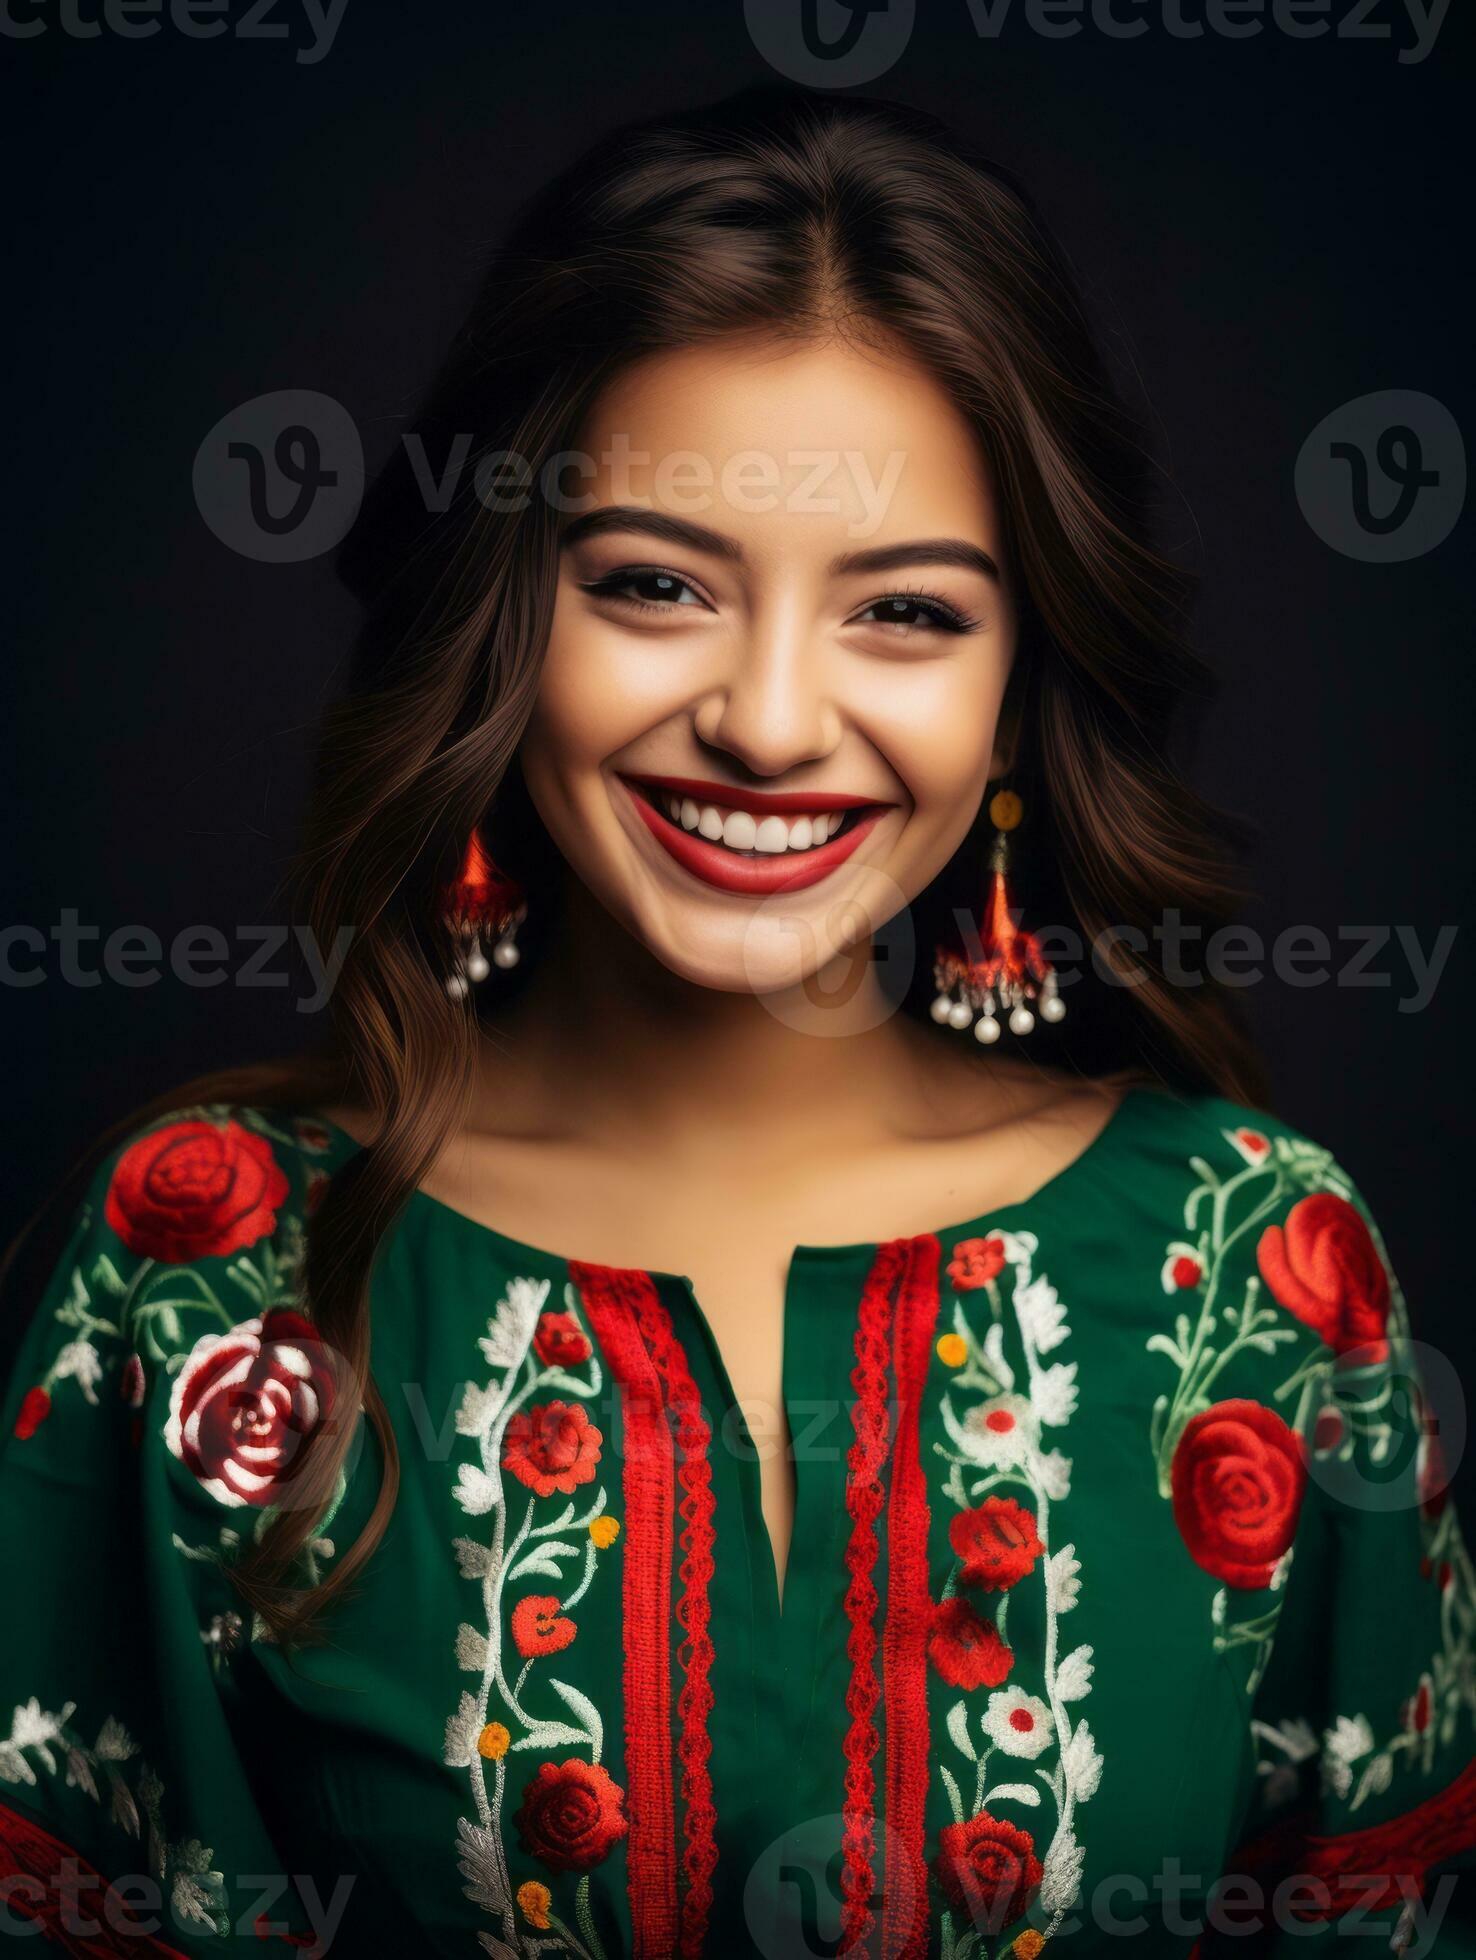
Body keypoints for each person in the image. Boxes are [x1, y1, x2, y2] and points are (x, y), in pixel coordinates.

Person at [2, 85, 1472, 1959]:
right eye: (653, 586)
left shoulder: (1255, 1264)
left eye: (908, 615)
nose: (770, 722)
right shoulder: (211, 1266)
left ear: (1022, 693)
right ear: (500, 617)